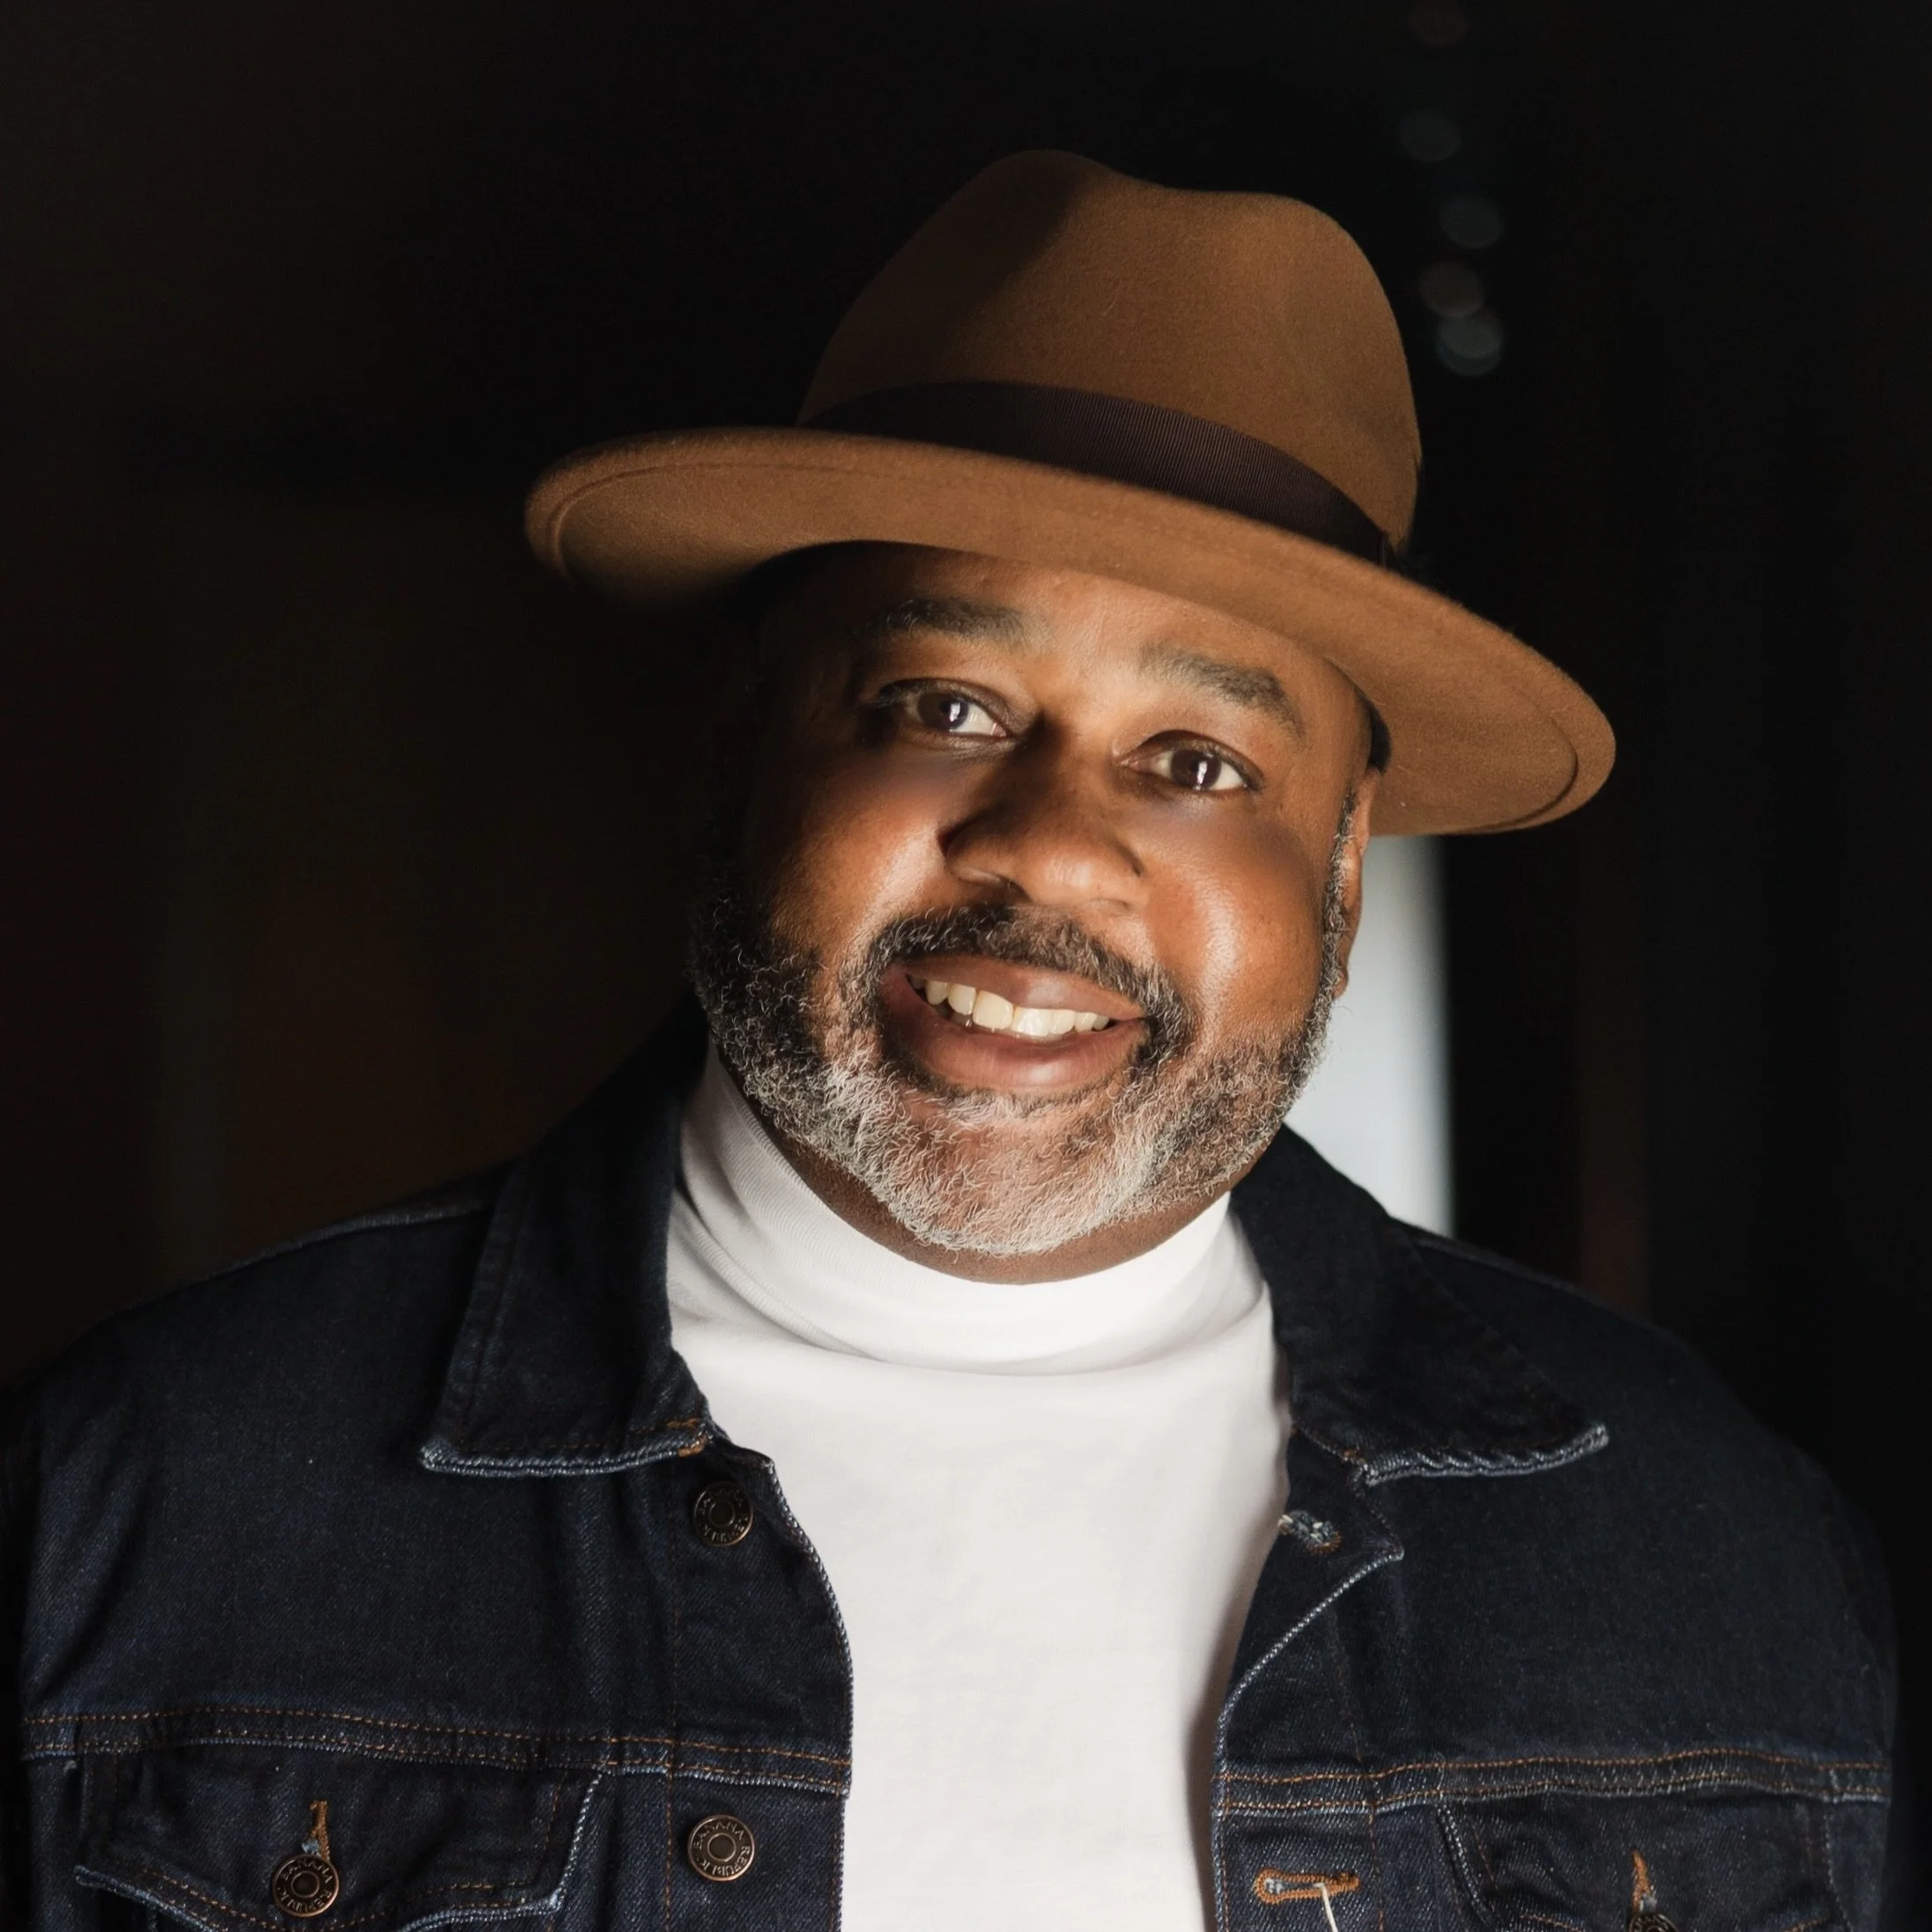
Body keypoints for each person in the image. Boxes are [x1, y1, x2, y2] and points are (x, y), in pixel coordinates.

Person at [0, 152, 1901, 1932]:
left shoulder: (1702, 1543)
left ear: (1337, 861)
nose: (1053, 849)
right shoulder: (140, 1501)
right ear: (747, 750)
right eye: (947, 704)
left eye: (1199, 761)